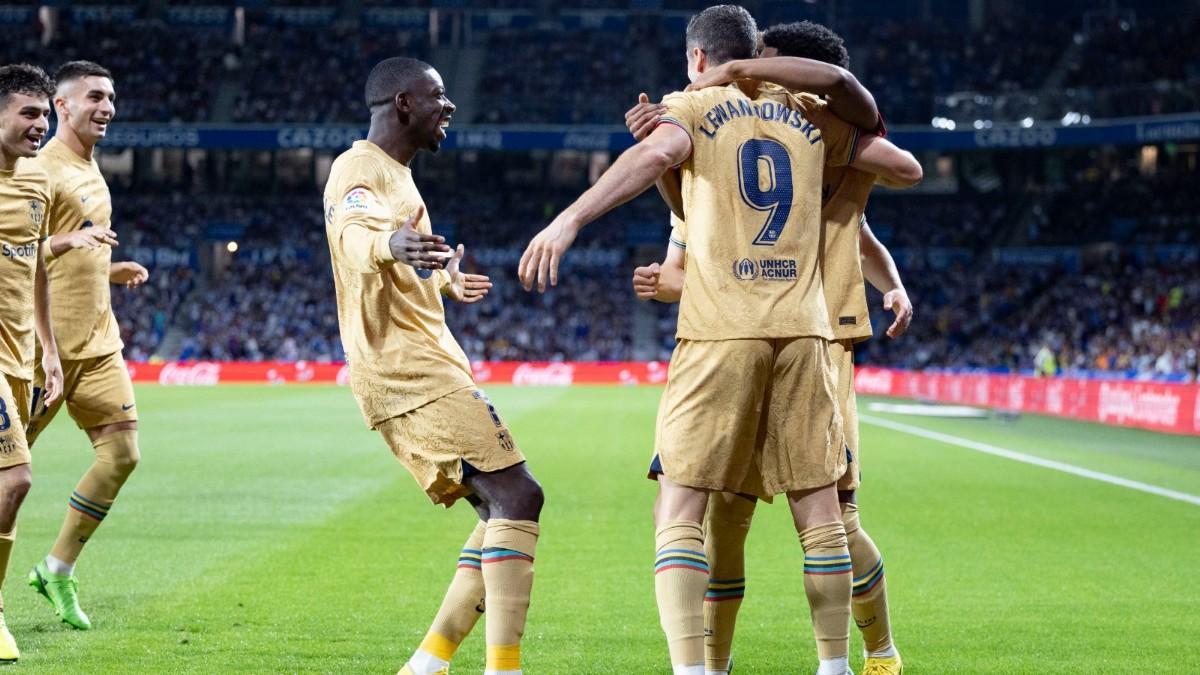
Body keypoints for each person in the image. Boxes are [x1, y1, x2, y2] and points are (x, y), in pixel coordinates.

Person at [519, 6, 883, 673]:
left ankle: (694, 668)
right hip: (805, 331)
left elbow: (659, 154)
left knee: (681, 501)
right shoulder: (807, 108)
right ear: (751, 51)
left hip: (721, 330)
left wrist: (569, 219)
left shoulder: (690, 104)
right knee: (820, 510)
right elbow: (882, 139)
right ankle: (838, 665)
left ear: (695, 59)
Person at [627, 21, 916, 675]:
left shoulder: (819, 135)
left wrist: (892, 285)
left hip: (810, 338)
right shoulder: (782, 143)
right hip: (770, 331)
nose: (753, 73)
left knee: (829, 514)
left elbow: (892, 177)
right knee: (747, 515)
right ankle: (769, 658)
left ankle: (872, 650)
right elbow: (687, 249)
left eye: (769, 65)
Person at [323, 56, 542, 675]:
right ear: (403, 103)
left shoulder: (400, 176)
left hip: (426, 363)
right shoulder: (358, 168)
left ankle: (430, 661)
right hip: (408, 371)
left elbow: (400, 260)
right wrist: (390, 244)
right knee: (519, 494)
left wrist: (443, 280)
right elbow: (355, 234)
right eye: (438, 96)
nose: (450, 107)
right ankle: (499, 667)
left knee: (501, 508)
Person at [25, 61, 151, 631]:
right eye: (95, 97)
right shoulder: (37, 170)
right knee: (7, 474)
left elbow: (75, 253)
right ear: (62, 106)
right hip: (37, 350)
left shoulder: (92, 170)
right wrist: (65, 242)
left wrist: (108, 269)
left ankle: (56, 567)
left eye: (112, 97)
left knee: (122, 455)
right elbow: (20, 259)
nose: (107, 107)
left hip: (98, 345)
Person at [0, 62, 64, 662]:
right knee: (15, 479)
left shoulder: (38, 185)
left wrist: (48, 348)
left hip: (21, 357)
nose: (40, 124)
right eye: (28, 112)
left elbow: (37, 266)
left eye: (44, 113)